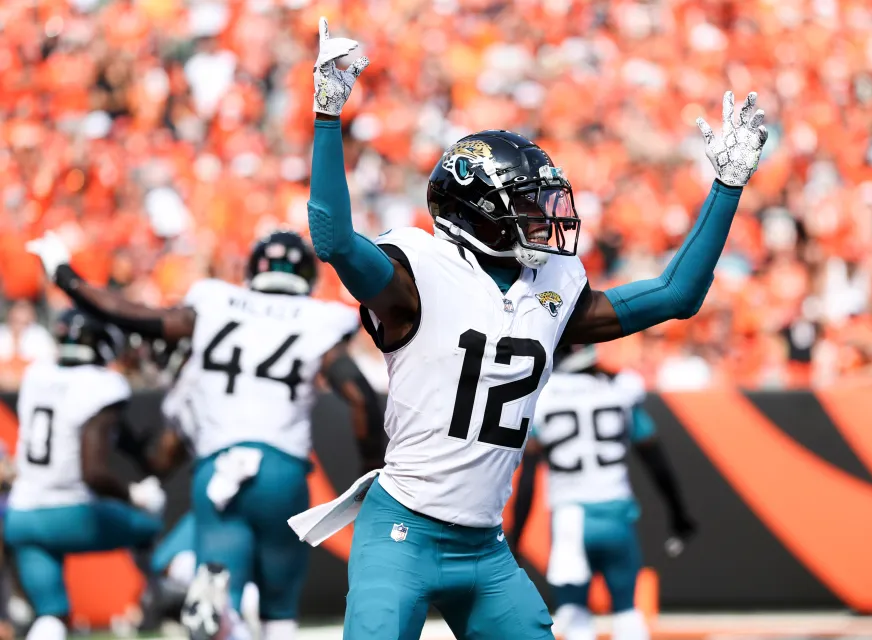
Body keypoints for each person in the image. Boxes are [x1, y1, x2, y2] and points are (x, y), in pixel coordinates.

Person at [285, 17, 766, 640]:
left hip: (483, 548)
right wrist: (327, 114)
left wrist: (727, 186)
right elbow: (332, 237)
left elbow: (677, 295)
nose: (547, 218)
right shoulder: (415, 278)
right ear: (478, 213)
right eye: (528, 204)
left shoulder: (553, 288)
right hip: (401, 531)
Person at [24, 229, 385, 640]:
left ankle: (224, 617)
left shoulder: (212, 304)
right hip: (281, 470)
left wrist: (66, 277)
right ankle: (245, 618)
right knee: (280, 607)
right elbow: (360, 398)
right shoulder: (320, 318)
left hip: (218, 469)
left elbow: (132, 315)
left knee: (224, 593)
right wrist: (371, 468)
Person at [511, 344, 697, 640]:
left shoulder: (543, 396)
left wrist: (516, 538)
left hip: (569, 521)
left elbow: (528, 482)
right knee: (627, 612)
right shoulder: (618, 389)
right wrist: (678, 514)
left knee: (574, 617)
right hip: (616, 516)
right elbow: (657, 462)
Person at [3, 309, 166, 640]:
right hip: (71, 514)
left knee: (51, 617)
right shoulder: (102, 384)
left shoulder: (37, 373)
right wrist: (133, 496)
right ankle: (164, 597)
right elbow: (93, 473)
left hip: (21, 515)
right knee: (149, 524)